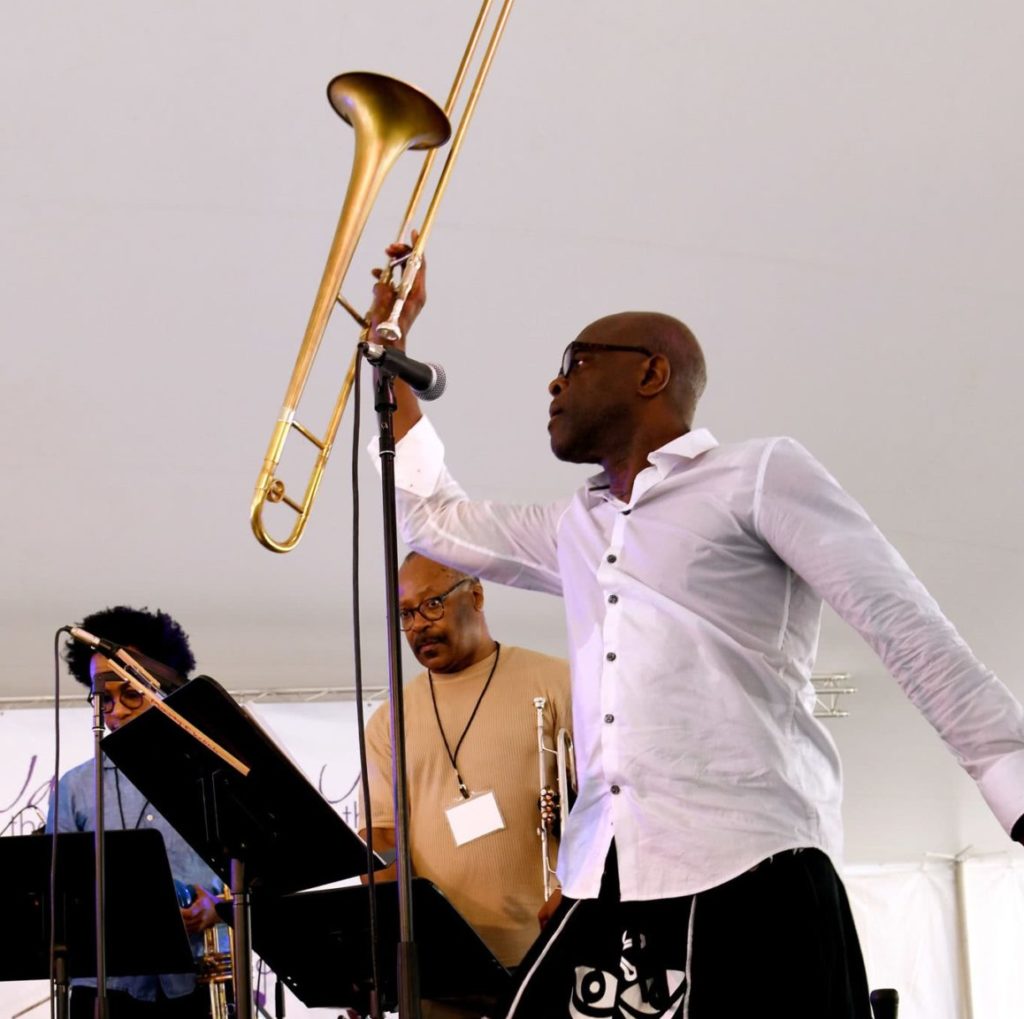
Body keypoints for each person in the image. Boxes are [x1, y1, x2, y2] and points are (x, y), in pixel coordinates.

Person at [363, 253, 1024, 1019]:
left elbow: (900, 620)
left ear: (652, 373)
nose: (553, 383)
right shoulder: (574, 525)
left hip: (749, 866)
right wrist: (392, 347)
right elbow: (433, 518)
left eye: (574, 363)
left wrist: (1008, 771)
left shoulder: (758, 475)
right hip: (609, 874)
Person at [361, 552, 571, 1015]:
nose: (417, 625)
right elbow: (380, 838)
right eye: (406, 614)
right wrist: (376, 954)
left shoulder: (558, 682)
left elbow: (608, 807)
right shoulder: (389, 719)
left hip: (549, 954)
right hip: (438, 972)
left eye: (431, 604)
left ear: (476, 596)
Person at [48, 605, 225, 1019]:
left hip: (200, 981)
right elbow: (56, 896)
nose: (118, 710)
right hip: (104, 990)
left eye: (131, 692)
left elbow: (258, 874)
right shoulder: (74, 789)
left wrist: (218, 907)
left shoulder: (213, 776)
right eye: (103, 698)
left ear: (164, 686)